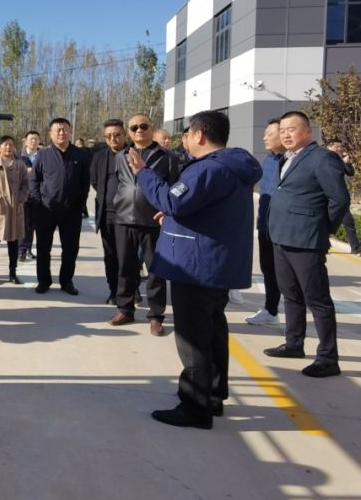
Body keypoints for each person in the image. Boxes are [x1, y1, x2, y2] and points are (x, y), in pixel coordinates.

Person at [129, 110, 261, 429]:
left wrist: (144, 173)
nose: (185, 139)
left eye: (187, 133)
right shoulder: (231, 165)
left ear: (200, 135)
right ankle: (212, 395)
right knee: (213, 332)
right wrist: (174, 217)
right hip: (214, 264)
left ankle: (195, 406)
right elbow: (200, 209)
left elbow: (171, 200)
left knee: (193, 340)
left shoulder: (208, 168)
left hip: (196, 266)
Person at [264, 111, 349, 378]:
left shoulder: (322, 158)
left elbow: (339, 200)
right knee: (291, 295)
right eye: (283, 130)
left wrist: (322, 229)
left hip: (306, 241)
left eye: (292, 129)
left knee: (318, 300)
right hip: (282, 237)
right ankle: (294, 343)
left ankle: (328, 358)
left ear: (308, 131)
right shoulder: (287, 158)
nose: (286, 134)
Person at [110, 113, 179, 335]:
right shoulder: (121, 156)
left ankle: (156, 315)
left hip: (153, 221)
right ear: (129, 132)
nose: (139, 130)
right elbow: (120, 182)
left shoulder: (167, 157)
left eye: (143, 126)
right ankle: (125, 308)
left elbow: (173, 186)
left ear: (152, 128)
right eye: (134, 128)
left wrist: (167, 211)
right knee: (125, 267)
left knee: (155, 269)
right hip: (125, 218)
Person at [29, 118, 91, 295]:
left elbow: (85, 183)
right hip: (46, 210)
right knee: (43, 248)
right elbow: (34, 181)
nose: (62, 133)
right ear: (51, 133)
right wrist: (38, 202)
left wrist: (79, 205)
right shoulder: (43, 155)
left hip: (71, 211)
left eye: (65, 129)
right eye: (58, 130)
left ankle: (66, 281)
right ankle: (44, 280)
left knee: (70, 249)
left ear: (70, 131)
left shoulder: (80, 155)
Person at [246, 118, 285, 326]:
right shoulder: (269, 160)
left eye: (269, 134)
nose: (264, 138)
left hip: (284, 229)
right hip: (265, 226)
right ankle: (271, 310)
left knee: (287, 275)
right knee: (268, 270)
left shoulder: (291, 161)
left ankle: (296, 322)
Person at [0, 135, 29, 284]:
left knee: (13, 242)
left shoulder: (20, 165)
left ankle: (12, 273)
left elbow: (25, 185)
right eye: (5, 145)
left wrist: (20, 198)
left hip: (15, 208)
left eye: (11, 145)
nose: (8, 147)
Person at [90, 119, 126, 304]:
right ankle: (114, 290)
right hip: (107, 214)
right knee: (110, 255)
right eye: (109, 136)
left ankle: (130, 289)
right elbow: (95, 181)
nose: (113, 138)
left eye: (117, 134)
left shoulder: (132, 154)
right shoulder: (99, 157)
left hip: (129, 215)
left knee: (127, 256)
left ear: (124, 135)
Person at [325, 140, 361, 256]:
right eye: (338, 146)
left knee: (348, 221)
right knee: (324, 221)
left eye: (341, 147)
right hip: (326, 196)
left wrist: (347, 162)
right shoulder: (323, 157)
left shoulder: (339, 159)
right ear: (331, 146)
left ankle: (355, 247)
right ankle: (322, 246)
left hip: (339, 197)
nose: (340, 149)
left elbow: (350, 172)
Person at [18, 130, 42, 262]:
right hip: (22, 194)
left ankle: (28, 248)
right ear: (25, 141)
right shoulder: (18, 156)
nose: (33, 141)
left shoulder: (43, 155)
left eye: (36, 139)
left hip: (37, 195)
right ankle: (21, 250)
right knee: (22, 223)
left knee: (32, 224)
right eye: (31, 139)